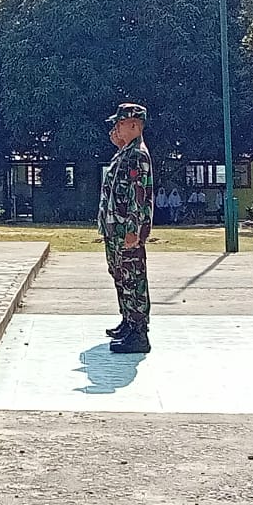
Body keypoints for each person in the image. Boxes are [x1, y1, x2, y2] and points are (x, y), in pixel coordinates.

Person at [99, 103, 154, 354]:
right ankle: (129, 322)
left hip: (126, 231)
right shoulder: (125, 152)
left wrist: (134, 230)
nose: (115, 129)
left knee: (134, 280)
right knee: (121, 276)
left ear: (134, 125)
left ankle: (139, 333)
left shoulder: (138, 155)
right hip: (115, 229)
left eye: (120, 124)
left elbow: (138, 196)